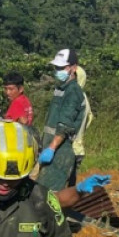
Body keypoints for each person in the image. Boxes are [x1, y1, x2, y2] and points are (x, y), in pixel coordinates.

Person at [37, 48, 86, 191]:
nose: (58, 70)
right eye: (56, 67)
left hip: (59, 152)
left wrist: (51, 149)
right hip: (50, 148)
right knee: (40, 192)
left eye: (62, 67)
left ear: (73, 68)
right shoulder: (61, 89)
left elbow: (65, 125)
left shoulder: (73, 92)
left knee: (48, 195)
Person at [69, 65, 94, 188]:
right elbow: (90, 117)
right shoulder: (84, 97)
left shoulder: (75, 98)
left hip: (70, 148)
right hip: (78, 148)